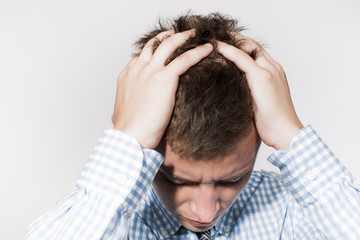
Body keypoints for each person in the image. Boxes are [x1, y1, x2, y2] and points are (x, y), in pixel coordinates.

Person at [25, 13, 360, 239]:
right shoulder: (108, 216)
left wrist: (292, 135)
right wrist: (127, 138)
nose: (205, 210)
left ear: (260, 137)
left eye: (232, 179)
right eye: (178, 180)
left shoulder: (294, 209)